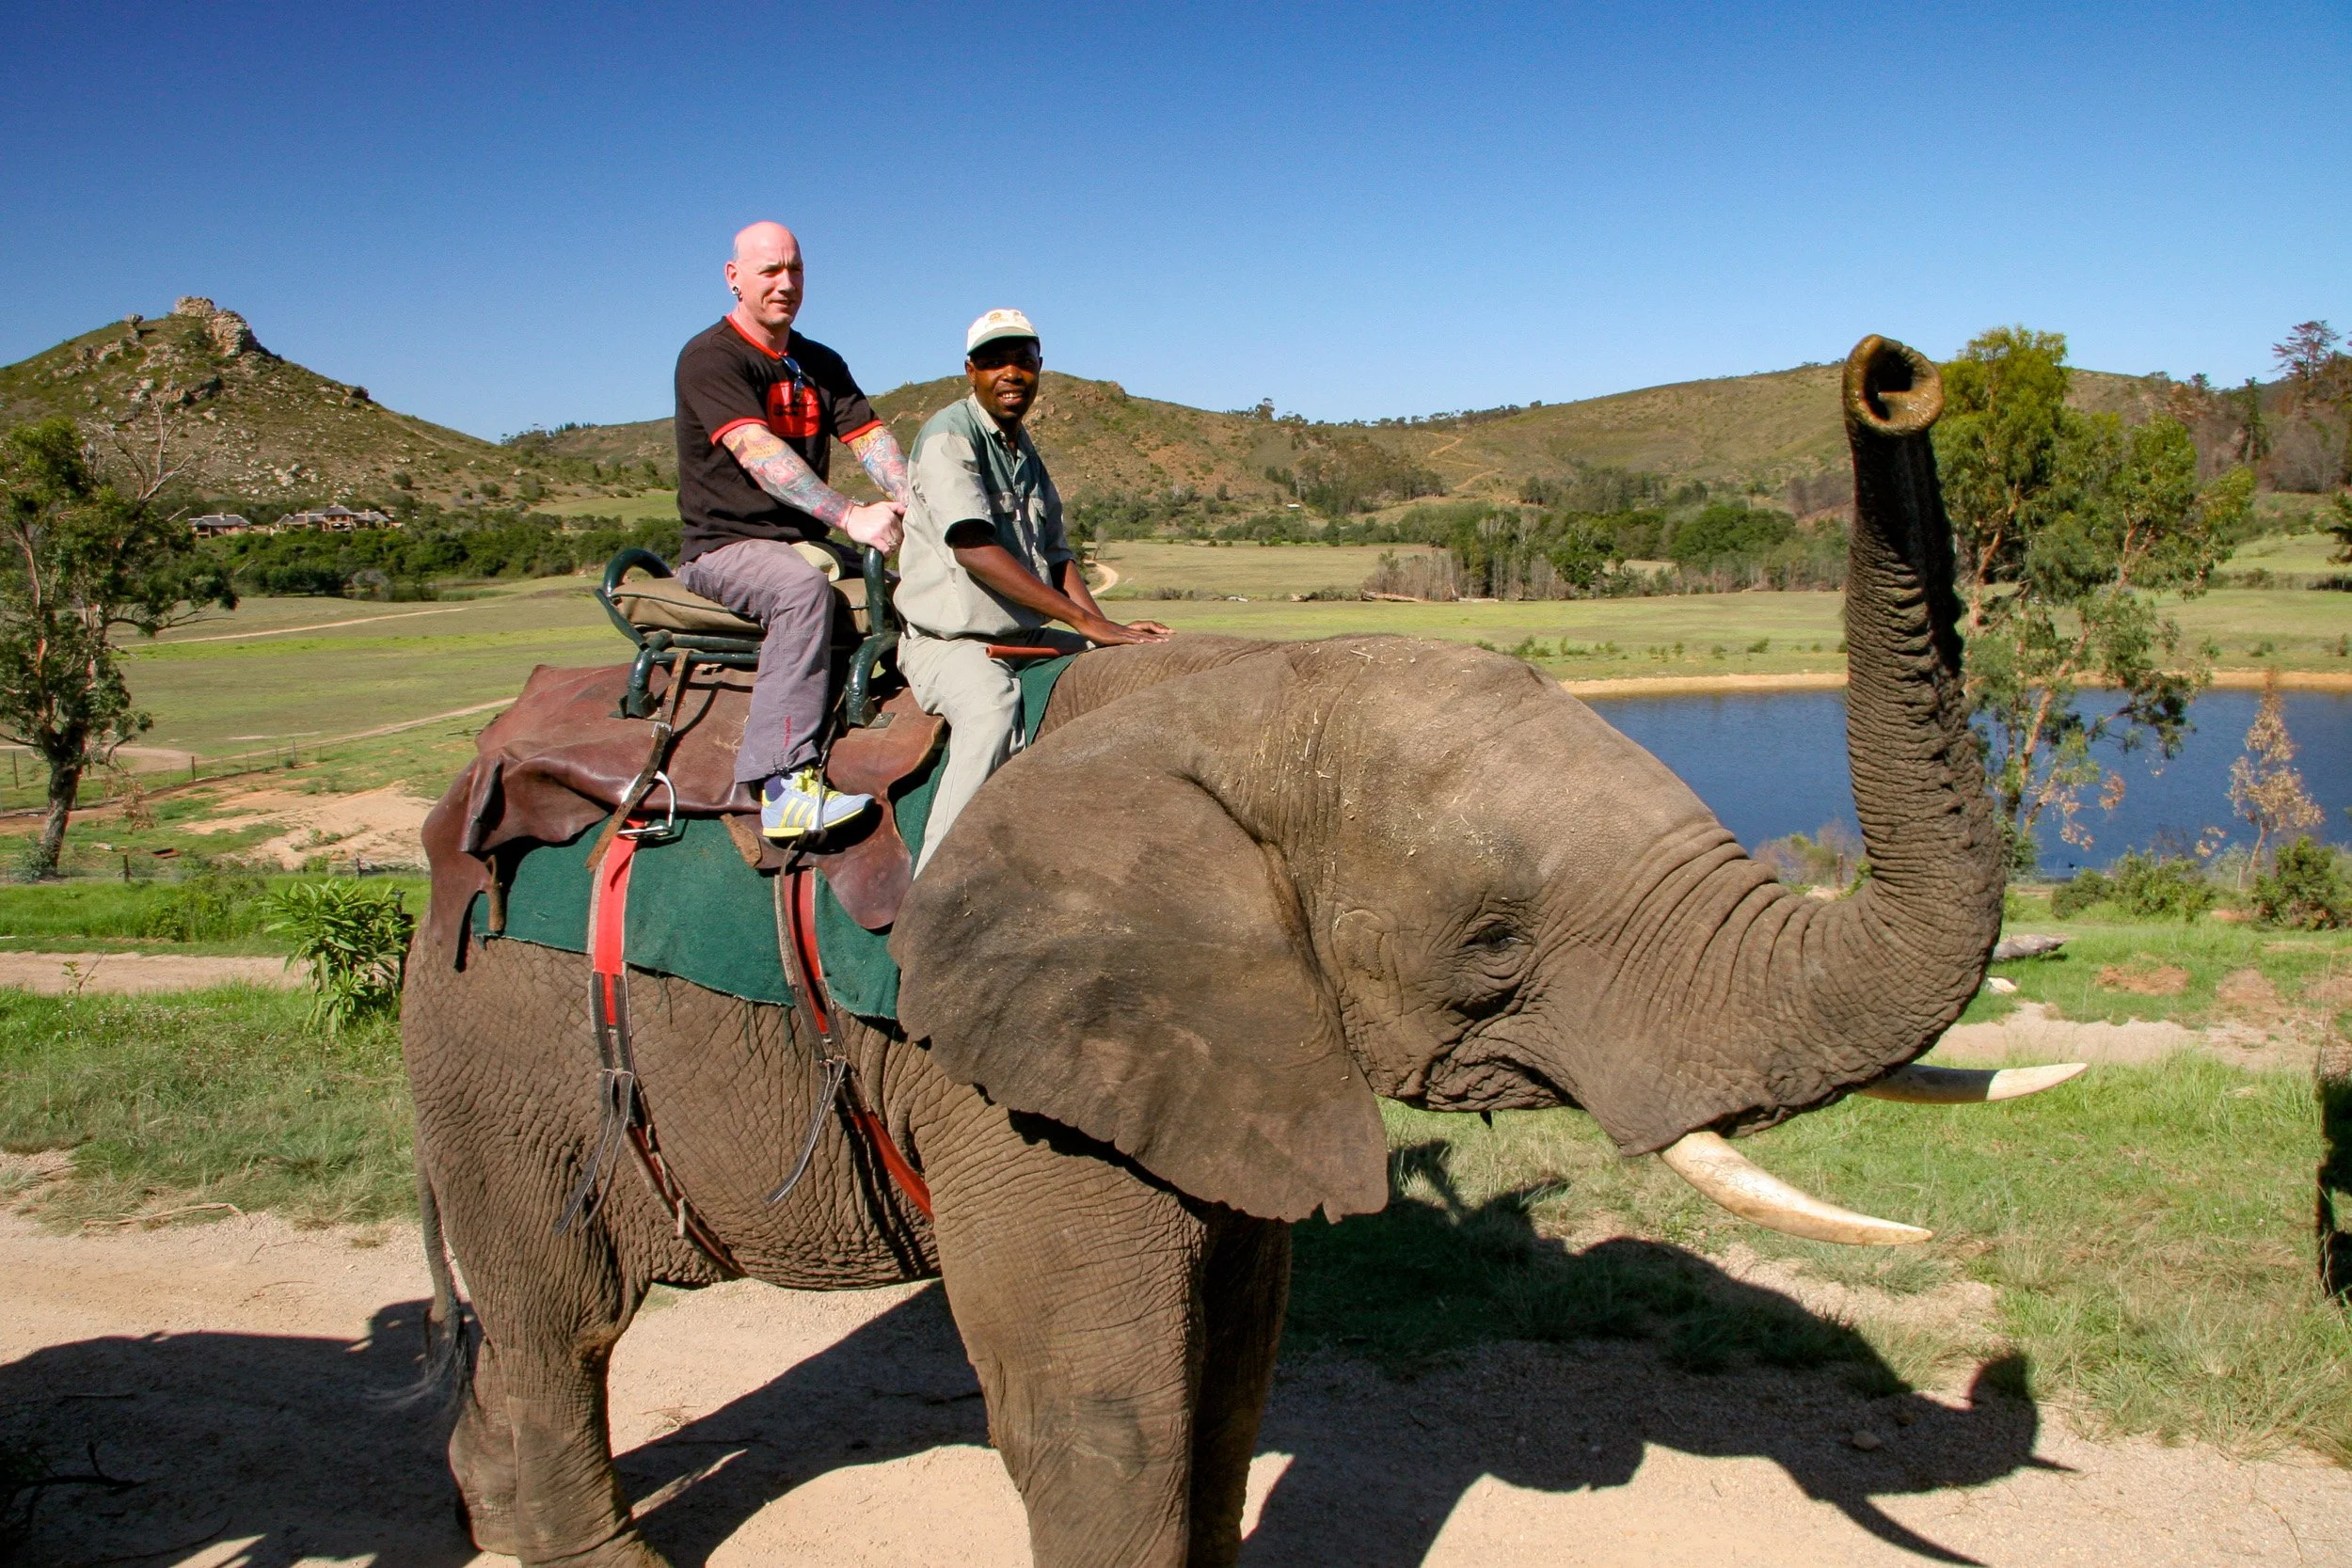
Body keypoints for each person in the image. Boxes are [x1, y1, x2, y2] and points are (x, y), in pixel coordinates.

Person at [894, 309, 1171, 874]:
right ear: (971, 371)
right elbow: (973, 548)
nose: (1011, 373)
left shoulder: (1024, 452)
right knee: (992, 712)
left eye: (1023, 360)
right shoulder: (951, 436)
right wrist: (1086, 624)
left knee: (1142, 671)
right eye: (995, 361)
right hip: (953, 642)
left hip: (1026, 633)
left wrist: (1105, 631)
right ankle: (933, 888)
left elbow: (1058, 556)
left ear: (1039, 368)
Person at [673, 221, 909, 840]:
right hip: (727, 544)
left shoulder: (819, 361)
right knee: (802, 591)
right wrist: (853, 516)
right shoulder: (711, 357)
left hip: (806, 540)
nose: (785, 283)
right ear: (734, 277)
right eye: (769, 270)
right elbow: (759, 452)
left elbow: (871, 440)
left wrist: (923, 505)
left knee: (914, 588)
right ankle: (784, 785)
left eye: (795, 270)